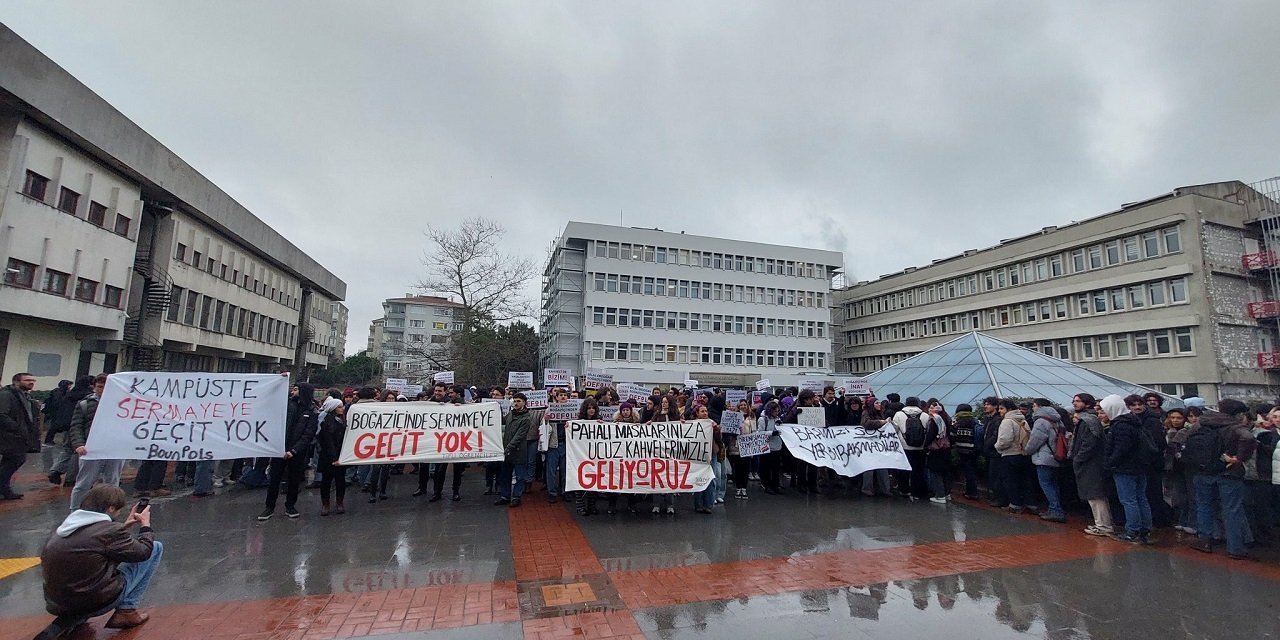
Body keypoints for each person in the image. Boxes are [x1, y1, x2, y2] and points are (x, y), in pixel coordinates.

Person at [36, 485, 162, 637]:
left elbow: (93, 550)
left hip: (56, 602)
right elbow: (143, 552)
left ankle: (75, 616)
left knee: (88, 569)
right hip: (93, 600)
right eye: (118, 509)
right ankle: (126, 610)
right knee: (155, 548)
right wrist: (145, 526)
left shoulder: (63, 528)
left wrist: (123, 527)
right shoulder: (109, 531)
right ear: (110, 508)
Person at [1187, 399, 1255, 559]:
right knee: (1232, 510)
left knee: (1203, 506)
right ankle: (1235, 548)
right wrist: (1239, 458)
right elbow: (1249, 438)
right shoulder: (1236, 426)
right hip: (1228, 472)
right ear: (1238, 413)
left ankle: (1205, 540)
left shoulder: (1201, 423)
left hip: (1203, 470)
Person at [258, 383, 318, 520]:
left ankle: (290, 505)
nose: (293, 391)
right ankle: (269, 507)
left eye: (296, 389)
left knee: (294, 479)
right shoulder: (286, 405)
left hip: (297, 452)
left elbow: (308, 434)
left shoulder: (312, 410)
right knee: (274, 479)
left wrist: (294, 450)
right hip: (279, 448)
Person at [1102, 394, 1156, 544]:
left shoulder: (1120, 425)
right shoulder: (1134, 422)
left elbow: (1121, 448)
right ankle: (1145, 528)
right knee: (1141, 498)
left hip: (1125, 468)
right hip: (1139, 467)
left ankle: (1133, 530)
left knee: (1129, 500)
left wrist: (1109, 463)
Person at [68, 375, 126, 510]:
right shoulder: (85, 404)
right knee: (84, 483)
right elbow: (76, 426)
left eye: (107, 386)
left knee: (112, 484)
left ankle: (108, 512)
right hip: (91, 449)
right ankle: (75, 511)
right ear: (93, 387)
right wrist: (78, 444)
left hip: (115, 449)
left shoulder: (123, 403)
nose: (104, 389)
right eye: (100, 386)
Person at [1071, 393, 1113, 537]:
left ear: (1087, 404)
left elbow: (1089, 443)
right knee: (1095, 495)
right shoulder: (1089, 420)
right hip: (1091, 462)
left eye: (1078, 401)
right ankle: (1101, 524)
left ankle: (1103, 525)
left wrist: (1078, 458)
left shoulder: (1088, 420)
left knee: (1095, 495)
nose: (1074, 403)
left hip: (1091, 463)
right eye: (1074, 401)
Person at [0, 372, 40, 500]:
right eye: (27, 380)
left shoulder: (25, 396)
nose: (31, 382)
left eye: (32, 380)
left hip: (19, 435)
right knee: (16, 459)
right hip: (10, 436)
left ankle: (4, 489)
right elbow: (2, 414)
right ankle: (4, 488)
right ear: (16, 382)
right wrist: (17, 428)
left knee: (10, 462)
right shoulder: (7, 395)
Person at [47, 376, 93, 487]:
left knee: (67, 449)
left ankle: (56, 470)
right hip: (81, 426)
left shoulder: (70, 394)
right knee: (78, 452)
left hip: (68, 425)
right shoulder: (88, 397)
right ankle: (71, 478)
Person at [1027, 399, 1067, 522]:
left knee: (1046, 485)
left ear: (1039, 407)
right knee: (1054, 485)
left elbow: (1036, 440)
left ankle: (1056, 510)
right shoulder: (1057, 420)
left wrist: (1027, 450)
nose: (1033, 408)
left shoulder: (1041, 421)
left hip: (1043, 458)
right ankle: (1055, 508)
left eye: (1034, 406)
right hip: (1056, 456)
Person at [994, 399, 1035, 514]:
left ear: (1009, 409)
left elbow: (1005, 440)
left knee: (1011, 481)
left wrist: (997, 447)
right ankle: (1028, 504)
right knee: (1023, 480)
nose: (1000, 411)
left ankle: (1015, 504)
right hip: (1023, 454)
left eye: (1001, 409)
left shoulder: (1007, 421)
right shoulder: (1023, 420)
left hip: (1010, 454)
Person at [495, 393, 533, 507]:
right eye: (514, 401)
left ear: (524, 402)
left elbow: (519, 436)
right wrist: (495, 410)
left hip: (518, 451)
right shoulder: (511, 413)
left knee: (520, 476)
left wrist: (508, 448)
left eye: (518, 401)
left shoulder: (526, 418)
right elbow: (502, 422)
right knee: (505, 475)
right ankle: (505, 496)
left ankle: (516, 496)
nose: (516, 403)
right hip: (506, 450)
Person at [892, 397, 930, 501]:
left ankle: (904, 490)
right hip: (920, 447)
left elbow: (894, 429)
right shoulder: (925, 415)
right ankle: (917, 492)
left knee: (904, 469)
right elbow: (927, 430)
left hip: (905, 446)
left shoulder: (899, 414)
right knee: (918, 470)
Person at [317, 403, 348, 516]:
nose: (342, 409)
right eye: (339, 407)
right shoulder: (326, 423)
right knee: (326, 480)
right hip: (328, 457)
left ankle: (339, 502)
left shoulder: (343, 421)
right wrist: (334, 458)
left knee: (340, 480)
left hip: (340, 455)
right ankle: (326, 504)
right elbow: (328, 442)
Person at [980, 397, 1007, 507]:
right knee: (992, 476)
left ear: (995, 406)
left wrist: (986, 446)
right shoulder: (988, 419)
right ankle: (995, 496)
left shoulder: (998, 420)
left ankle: (1000, 498)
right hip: (989, 452)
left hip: (995, 452)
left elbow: (995, 436)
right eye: (985, 404)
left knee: (996, 476)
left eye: (988, 404)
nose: (986, 406)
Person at [950, 403, 980, 500]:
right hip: (974, 450)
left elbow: (952, 436)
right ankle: (972, 491)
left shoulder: (958, 422)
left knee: (968, 472)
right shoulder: (975, 421)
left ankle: (971, 492)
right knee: (972, 471)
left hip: (963, 450)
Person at [727, 399, 755, 499]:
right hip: (736, 446)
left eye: (745, 405)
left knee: (746, 468)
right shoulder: (734, 417)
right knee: (738, 468)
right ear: (738, 407)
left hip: (747, 446)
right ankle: (738, 488)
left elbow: (754, 431)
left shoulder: (751, 417)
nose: (743, 406)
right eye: (741, 405)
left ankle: (744, 488)